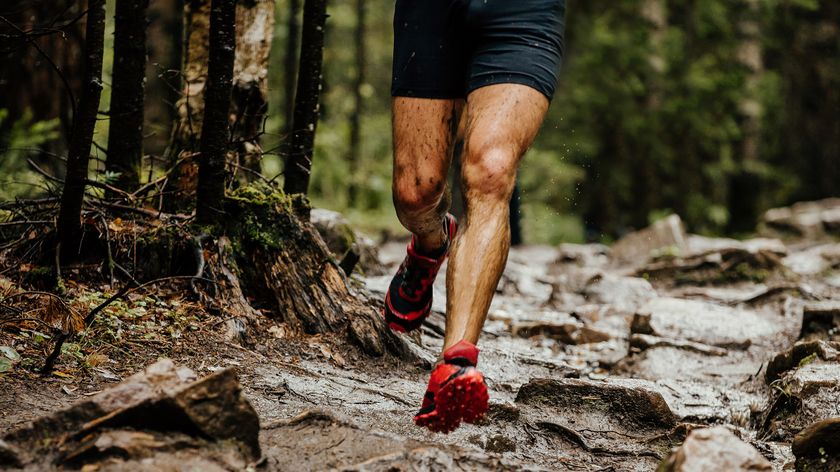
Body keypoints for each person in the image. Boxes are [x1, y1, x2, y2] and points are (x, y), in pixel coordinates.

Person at [383, 0, 566, 433]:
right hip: (430, 12)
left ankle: (455, 365)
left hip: (524, 11)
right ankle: (431, 243)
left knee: (491, 170)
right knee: (415, 193)